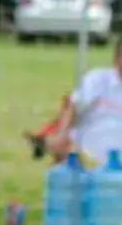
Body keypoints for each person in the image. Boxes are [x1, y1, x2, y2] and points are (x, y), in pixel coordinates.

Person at [39, 36, 122, 167]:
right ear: (117, 58)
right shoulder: (98, 80)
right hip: (90, 163)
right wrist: (62, 134)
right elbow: (73, 106)